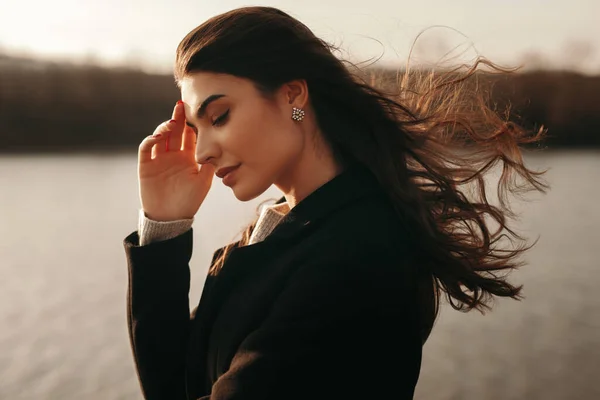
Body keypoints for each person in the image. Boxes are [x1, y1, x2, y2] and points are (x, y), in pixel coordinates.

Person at [122, 6, 548, 400]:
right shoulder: (278, 233)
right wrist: (164, 229)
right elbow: (175, 387)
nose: (201, 154)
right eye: (196, 129)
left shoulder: (359, 254)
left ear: (292, 96)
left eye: (219, 117)